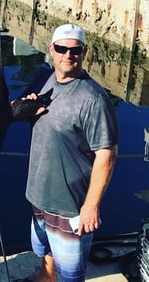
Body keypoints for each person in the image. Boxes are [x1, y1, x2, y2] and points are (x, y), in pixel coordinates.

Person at [21, 24, 119, 282]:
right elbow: (12, 110)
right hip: (38, 194)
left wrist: (91, 205)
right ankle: (46, 276)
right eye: (62, 49)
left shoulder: (93, 99)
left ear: (84, 52)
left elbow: (106, 155)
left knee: (71, 274)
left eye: (75, 50)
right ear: (52, 50)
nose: (68, 55)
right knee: (45, 253)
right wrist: (24, 107)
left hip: (70, 205)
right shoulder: (43, 79)